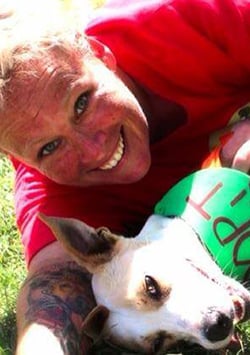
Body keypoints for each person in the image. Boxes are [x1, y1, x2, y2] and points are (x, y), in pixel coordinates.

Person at [0, 0, 249, 354]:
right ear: (18, 159)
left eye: (81, 103)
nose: (94, 149)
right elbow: (54, 286)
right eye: (50, 147)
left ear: (100, 54)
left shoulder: (182, 18)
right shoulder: (52, 191)